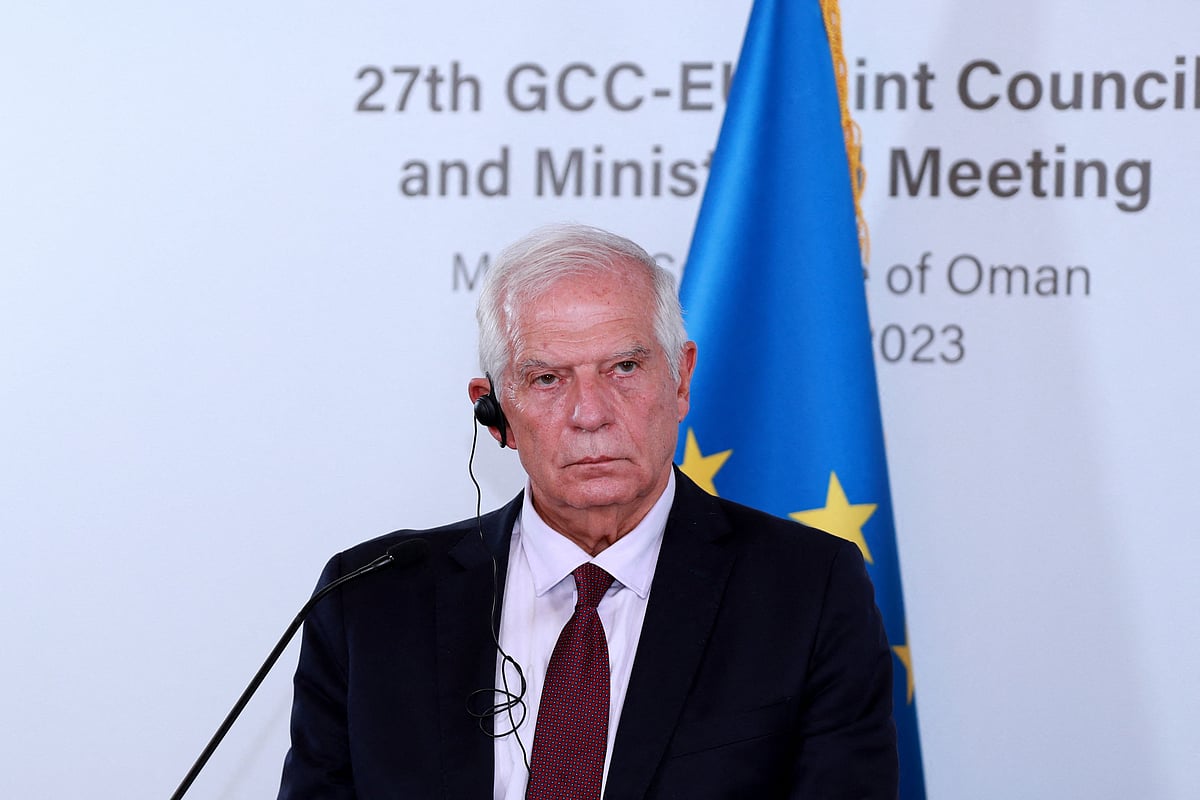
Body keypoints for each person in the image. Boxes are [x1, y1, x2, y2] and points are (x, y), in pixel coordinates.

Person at [278, 223, 898, 799]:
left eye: (624, 368)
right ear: (494, 413)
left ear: (681, 381)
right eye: (547, 379)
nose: (590, 413)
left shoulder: (807, 591)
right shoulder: (370, 599)